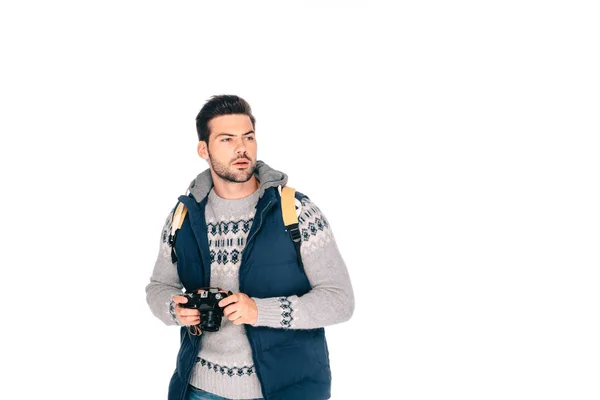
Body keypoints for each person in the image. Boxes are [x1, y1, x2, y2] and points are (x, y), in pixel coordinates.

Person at [145, 94, 354, 400]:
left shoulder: (296, 212)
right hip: (200, 390)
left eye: (248, 137)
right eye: (227, 139)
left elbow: (340, 301)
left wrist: (259, 311)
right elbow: (158, 287)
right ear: (204, 149)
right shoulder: (183, 216)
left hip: (285, 392)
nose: (241, 148)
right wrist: (175, 309)